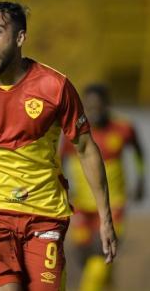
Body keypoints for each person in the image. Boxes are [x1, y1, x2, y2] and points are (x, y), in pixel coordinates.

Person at [0, 1, 117, 291]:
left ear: (20, 38)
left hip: (45, 214)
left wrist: (105, 218)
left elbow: (86, 148)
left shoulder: (55, 87)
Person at [61, 84, 146, 291]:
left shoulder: (124, 129)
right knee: (85, 258)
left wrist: (140, 181)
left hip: (113, 205)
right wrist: (63, 187)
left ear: (107, 105)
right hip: (81, 206)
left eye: (98, 106)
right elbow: (60, 161)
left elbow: (138, 153)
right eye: (89, 106)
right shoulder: (74, 132)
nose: (94, 111)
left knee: (101, 258)